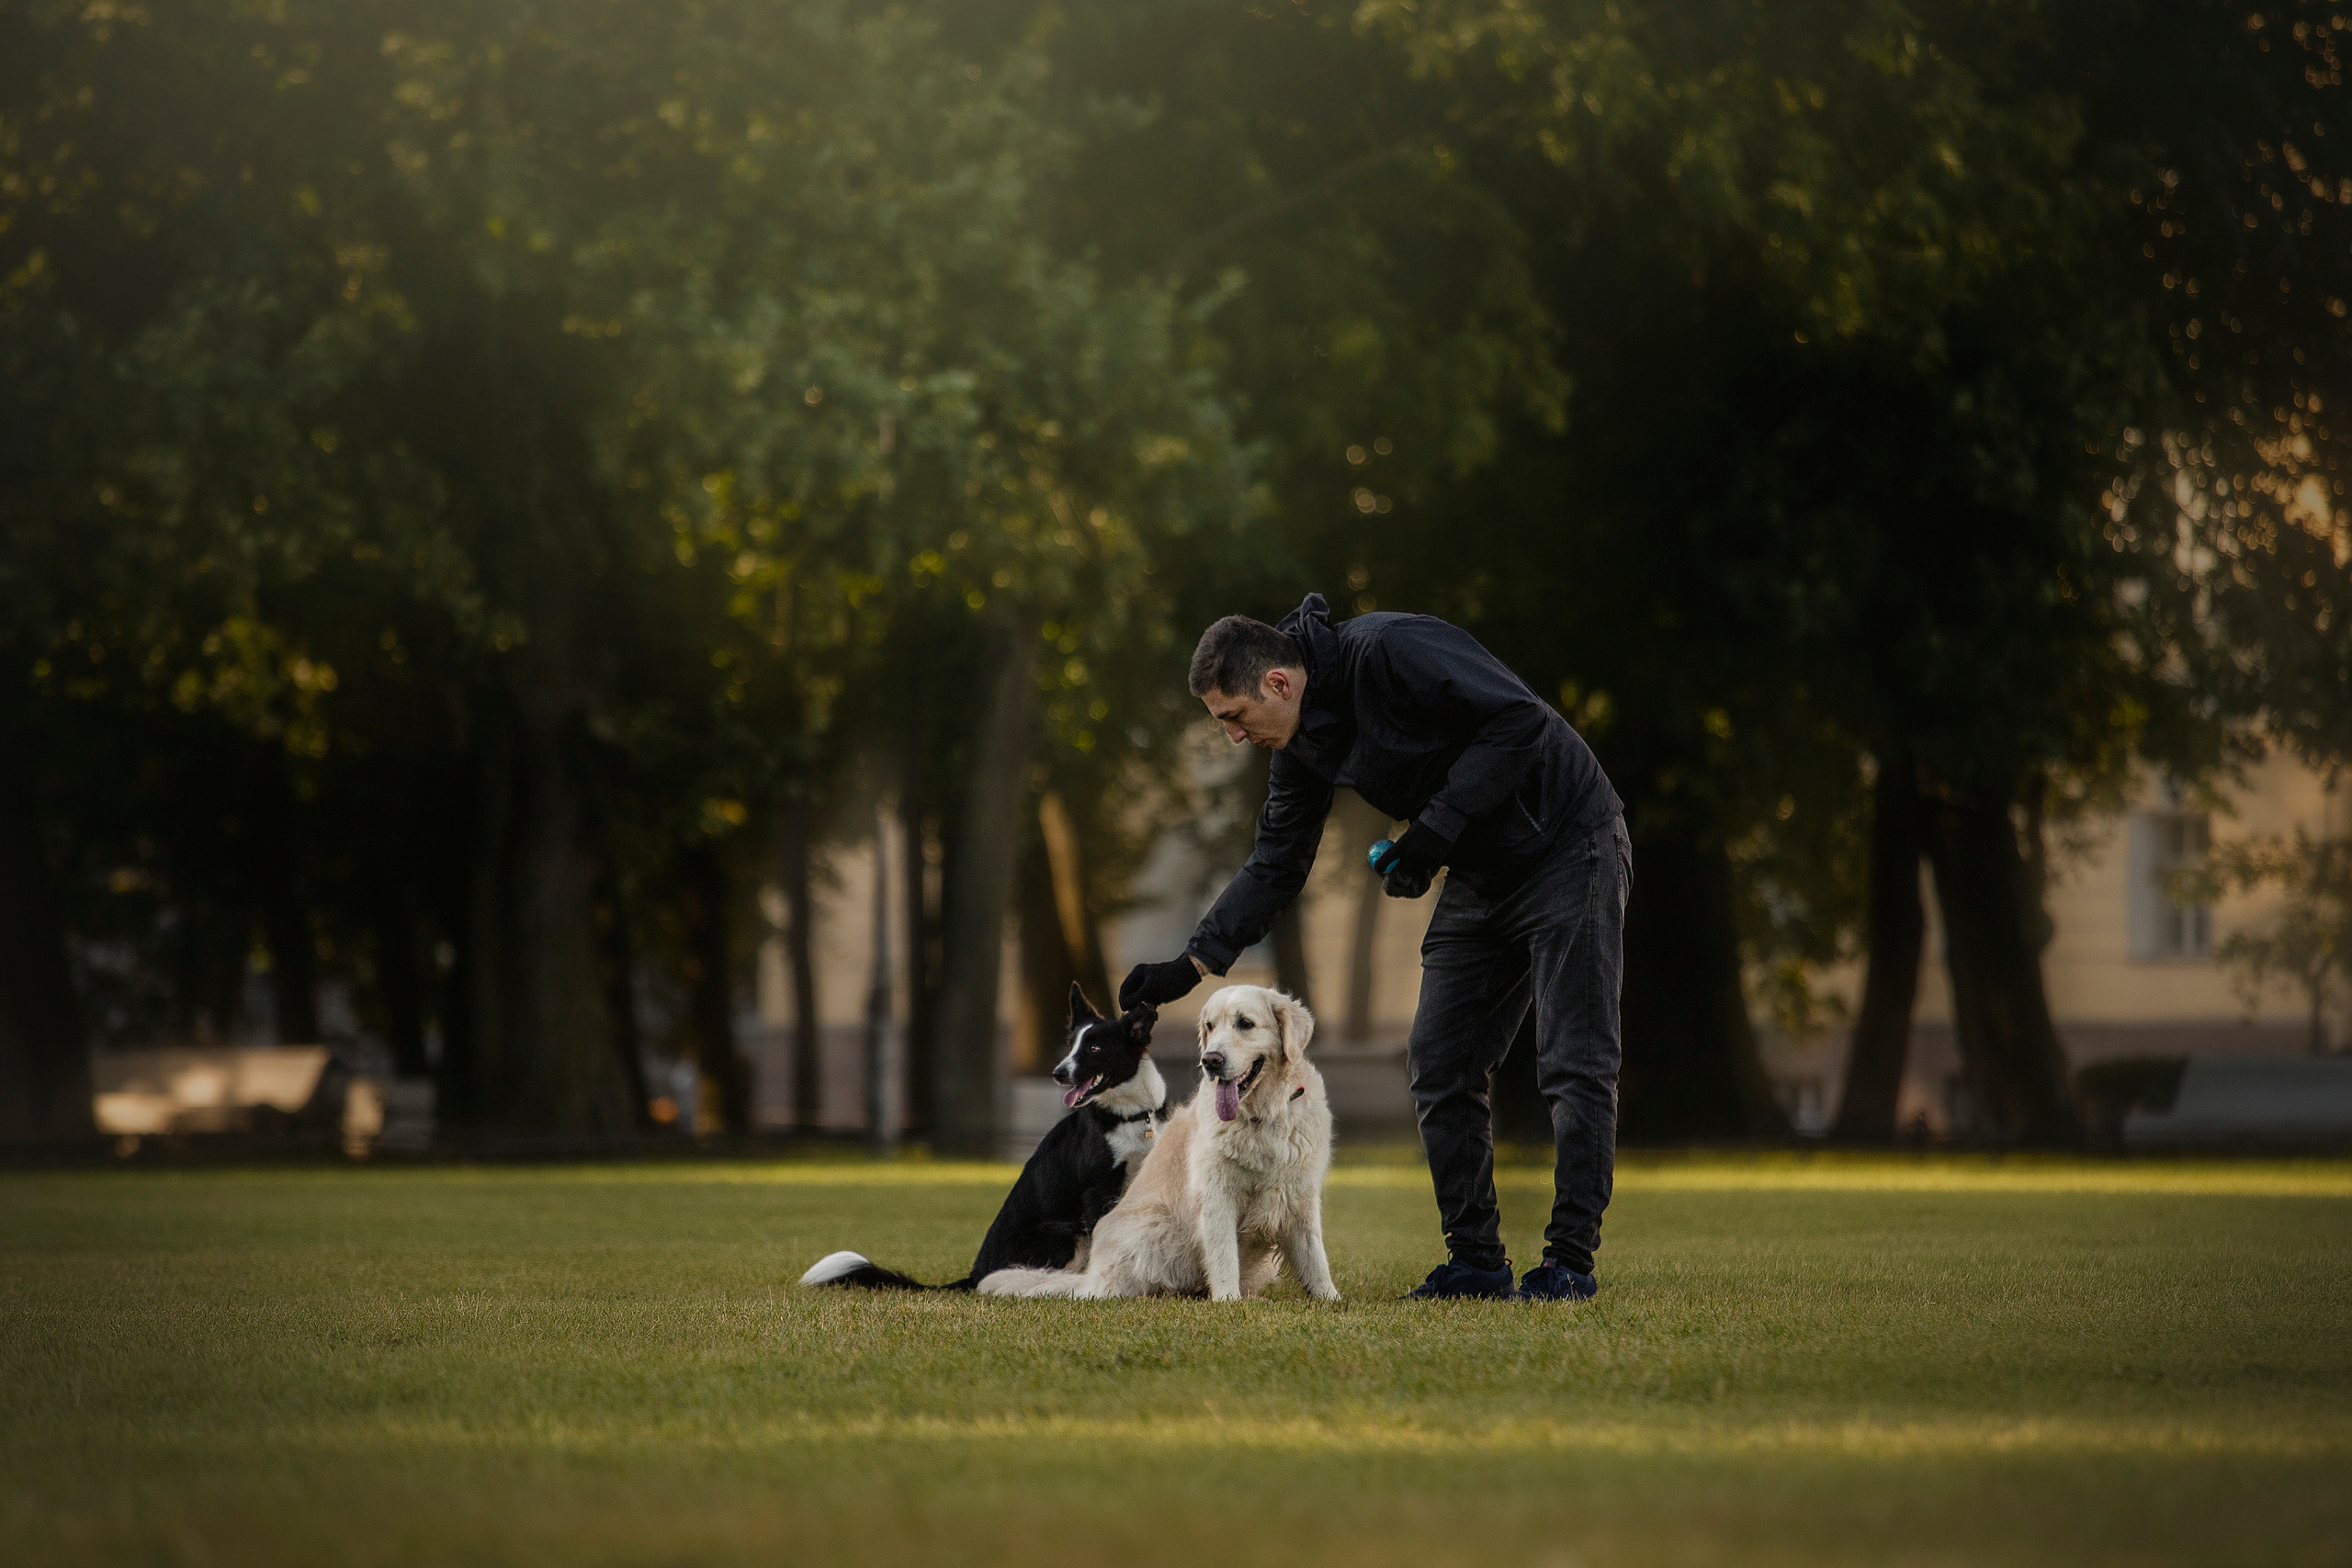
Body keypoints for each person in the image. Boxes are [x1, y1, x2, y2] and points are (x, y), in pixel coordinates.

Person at [1120, 593, 1628, 1302]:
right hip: (1482, 872)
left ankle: (1570, 1262)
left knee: (1574, 1062)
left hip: (1570, 844)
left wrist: (1434, 830)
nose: (1234, 737)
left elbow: (1520, 720)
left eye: (1234, 717)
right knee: (1440, 1061)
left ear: (1277, 683)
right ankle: (1477, 1261)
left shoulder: (1389, 649)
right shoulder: (1299, 747)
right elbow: (1275, 864)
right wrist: (1191, 962)